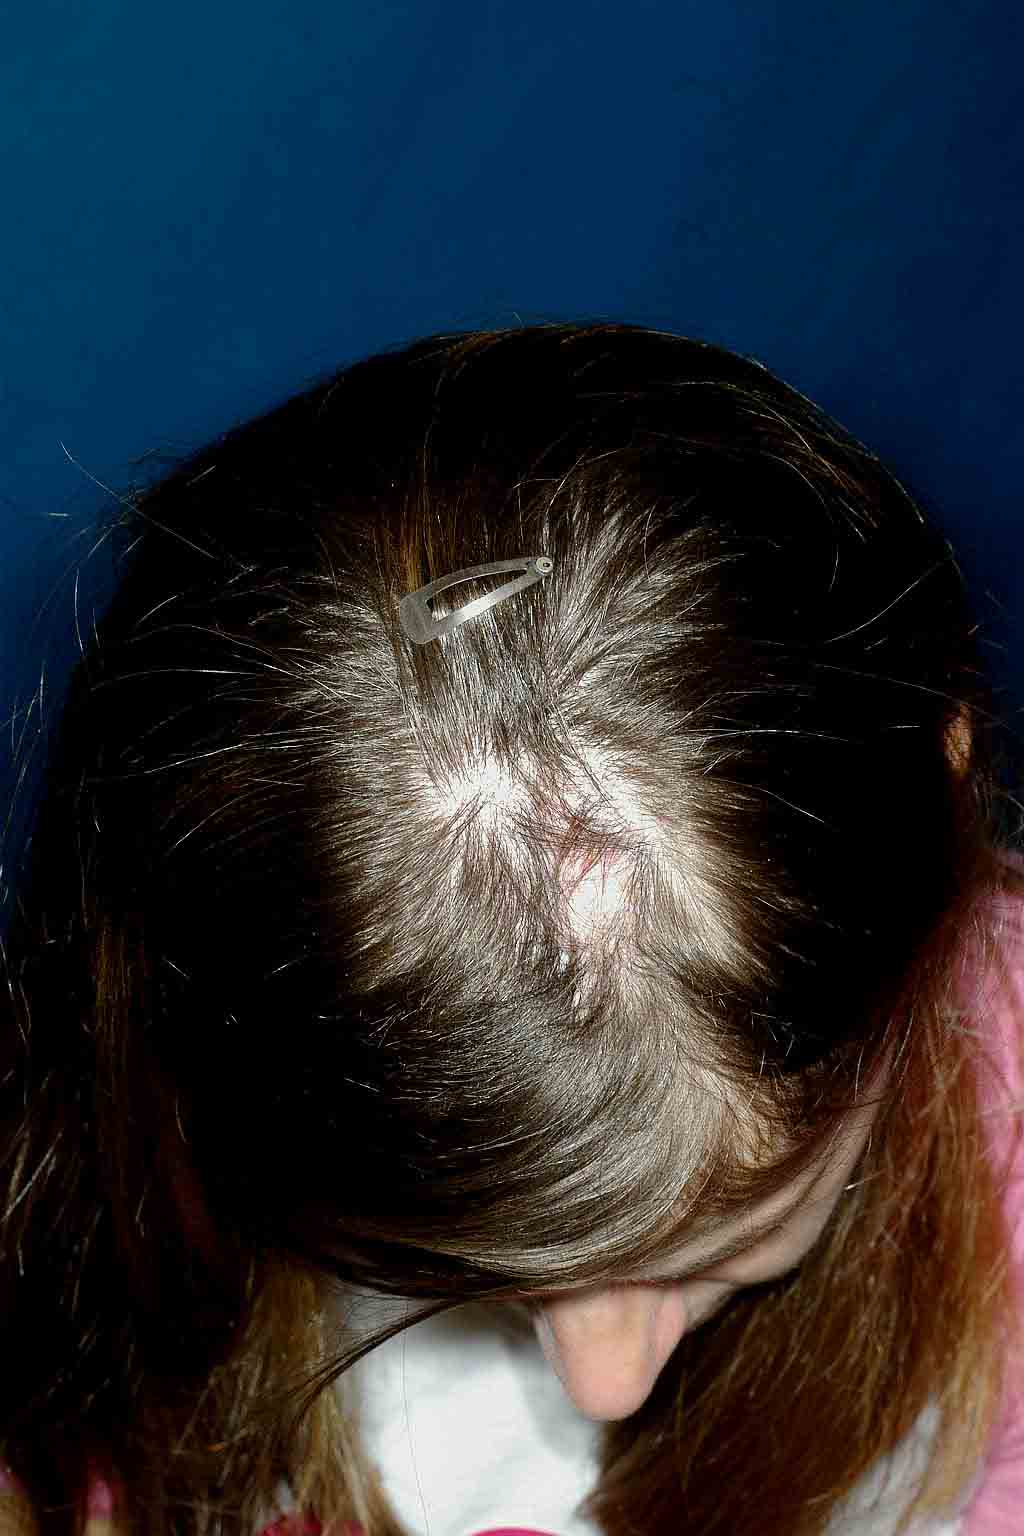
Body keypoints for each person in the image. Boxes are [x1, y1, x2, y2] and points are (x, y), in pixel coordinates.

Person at [0, 322, 1022, 1536]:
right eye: (463, 1276)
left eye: (713, 1250)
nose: (605, 1380)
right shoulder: (146, 1148)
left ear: (942, 792)